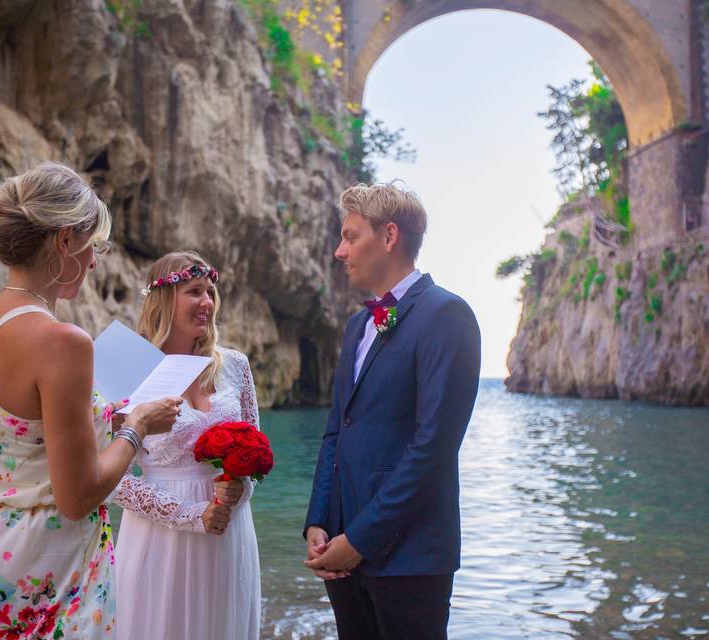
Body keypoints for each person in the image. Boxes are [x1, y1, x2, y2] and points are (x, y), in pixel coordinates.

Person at [0, 162, 181, 640]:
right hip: (47, 582)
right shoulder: (64, 341)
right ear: (64, 242)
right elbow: (78, 497)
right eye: (92, 246)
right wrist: (136, 425)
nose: (95, 261)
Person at [303, 183, 481, 640]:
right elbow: (335, 432)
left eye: (350, 236)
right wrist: (319, 520)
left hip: (410, 554)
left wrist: (361, 540)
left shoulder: (447, 315)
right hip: (340, 550)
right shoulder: (357, 326)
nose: (340, 251)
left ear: (389, 237)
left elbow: (433, 449)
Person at [113, 251, 262, 640]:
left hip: (229, 530)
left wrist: (239, 488)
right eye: (195, 291)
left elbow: (257, 453)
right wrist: (193, 515)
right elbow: (111, 475)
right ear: (164, 299)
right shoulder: (128, 368)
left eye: (211, 292)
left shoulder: (234, 366)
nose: (207, 303)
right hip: (160, 537)